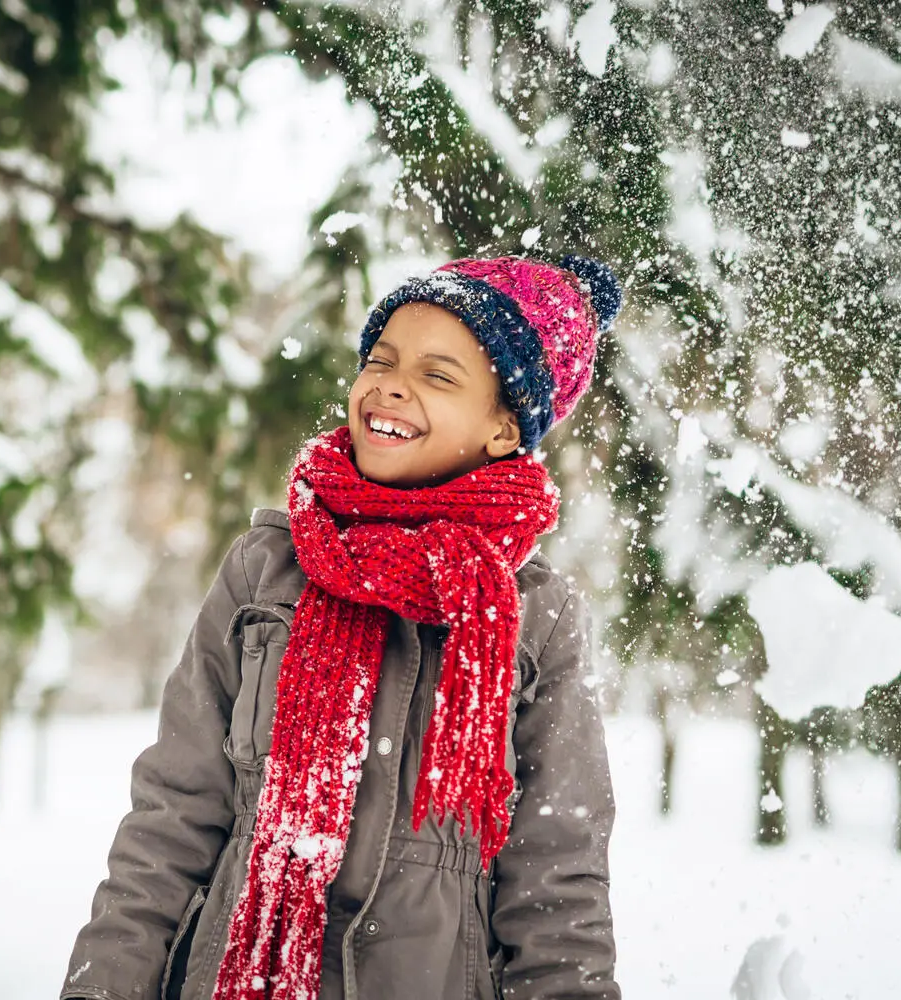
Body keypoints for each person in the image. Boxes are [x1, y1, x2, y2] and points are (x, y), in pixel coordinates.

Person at [62, 255, 624, 1000]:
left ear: (502, 427)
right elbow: (171, 815)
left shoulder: (536, 618)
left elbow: (557, 876)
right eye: (381, 360)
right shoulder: (267, 569)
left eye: (438, 374)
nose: (391, 383)